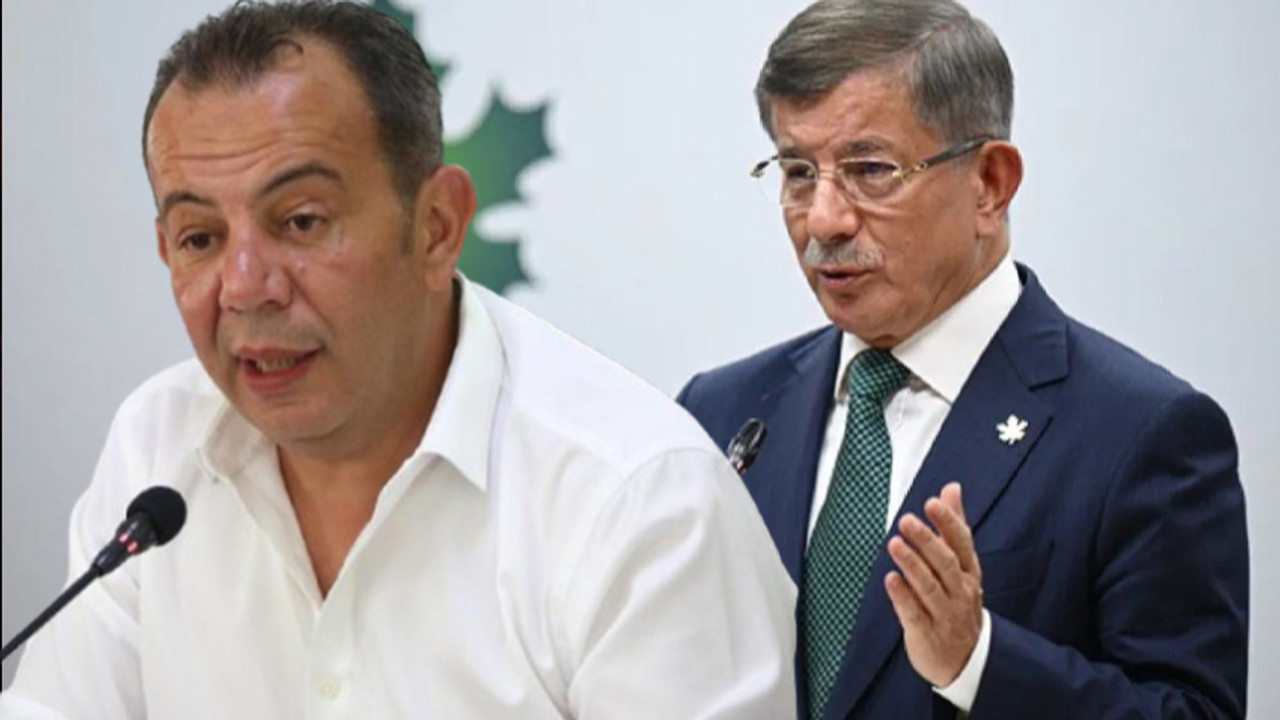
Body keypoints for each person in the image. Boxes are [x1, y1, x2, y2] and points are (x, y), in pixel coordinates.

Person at [0, 2, 797, 718]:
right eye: (200, 238)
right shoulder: (157, 448)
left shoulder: (640, 500)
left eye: (301, 221)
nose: (244, 288)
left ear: (437, 226)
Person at [676, 1, 1249, 719]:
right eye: (797, 171)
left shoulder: (1142, 434)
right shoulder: (720, 413)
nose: (823, 219)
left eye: (870, 170)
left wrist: (979, 662)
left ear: (990, 185)